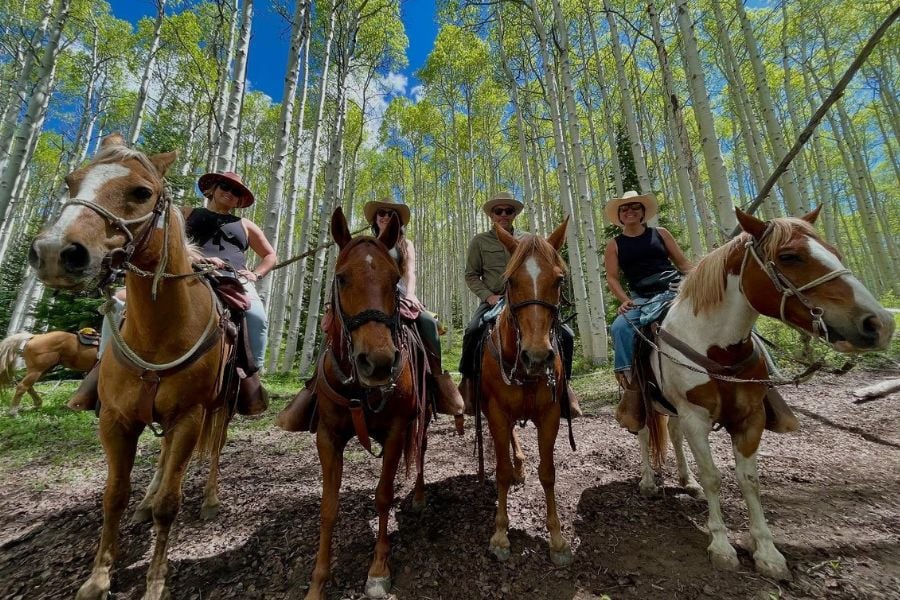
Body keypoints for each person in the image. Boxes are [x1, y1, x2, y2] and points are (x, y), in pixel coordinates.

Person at [67, 171, 275, 414]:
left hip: (232, 277)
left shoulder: (246, 225)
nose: (230, 193)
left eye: (236, 192)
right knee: (116, 304)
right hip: (183, 272)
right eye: (225, 187)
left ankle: (250, 379)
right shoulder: (186, 213)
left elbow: (270, 255)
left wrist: (255, 274)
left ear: (240, 200)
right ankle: (101, 368)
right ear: (211, 189)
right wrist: (196, 258)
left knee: (257, 315)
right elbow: (165, 242)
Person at [277, 197, 465, 433]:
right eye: (380, 213)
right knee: (332, 333)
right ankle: (313, 390)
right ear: (374, 218)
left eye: (389, 213)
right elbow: (342, 278)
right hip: (362, 297)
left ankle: (438, 384)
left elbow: (410, 273)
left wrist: (411, 295)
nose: (384, 216)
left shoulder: (405, 245)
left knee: (427, 323)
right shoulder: (358, 245)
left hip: (394, 294)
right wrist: (331, 307)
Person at [457, 191, 581, 418]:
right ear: (491, 215)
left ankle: (565, 388)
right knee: (473, 330)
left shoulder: (530, 240)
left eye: (509, 210)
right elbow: (471, 275)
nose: (503, 215)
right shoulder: (480, 242)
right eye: (498, 211)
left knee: (566, 334)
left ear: (514, 214)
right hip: (495, 299)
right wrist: (488, 296)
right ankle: (469, 385)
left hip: (528, 300)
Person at [603, 190, 692, 433]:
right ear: (620, 216)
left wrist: (697, 279)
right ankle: (632, 387)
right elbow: (612, 277)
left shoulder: (660, 234)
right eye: (624, 209)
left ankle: (760, 379)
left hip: (674, 289)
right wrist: (624, 300)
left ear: (643, 213)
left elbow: (682, 264)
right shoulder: (615, 245)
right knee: (620, 327)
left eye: (634, 207)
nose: (629, 211)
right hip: (642, 297)